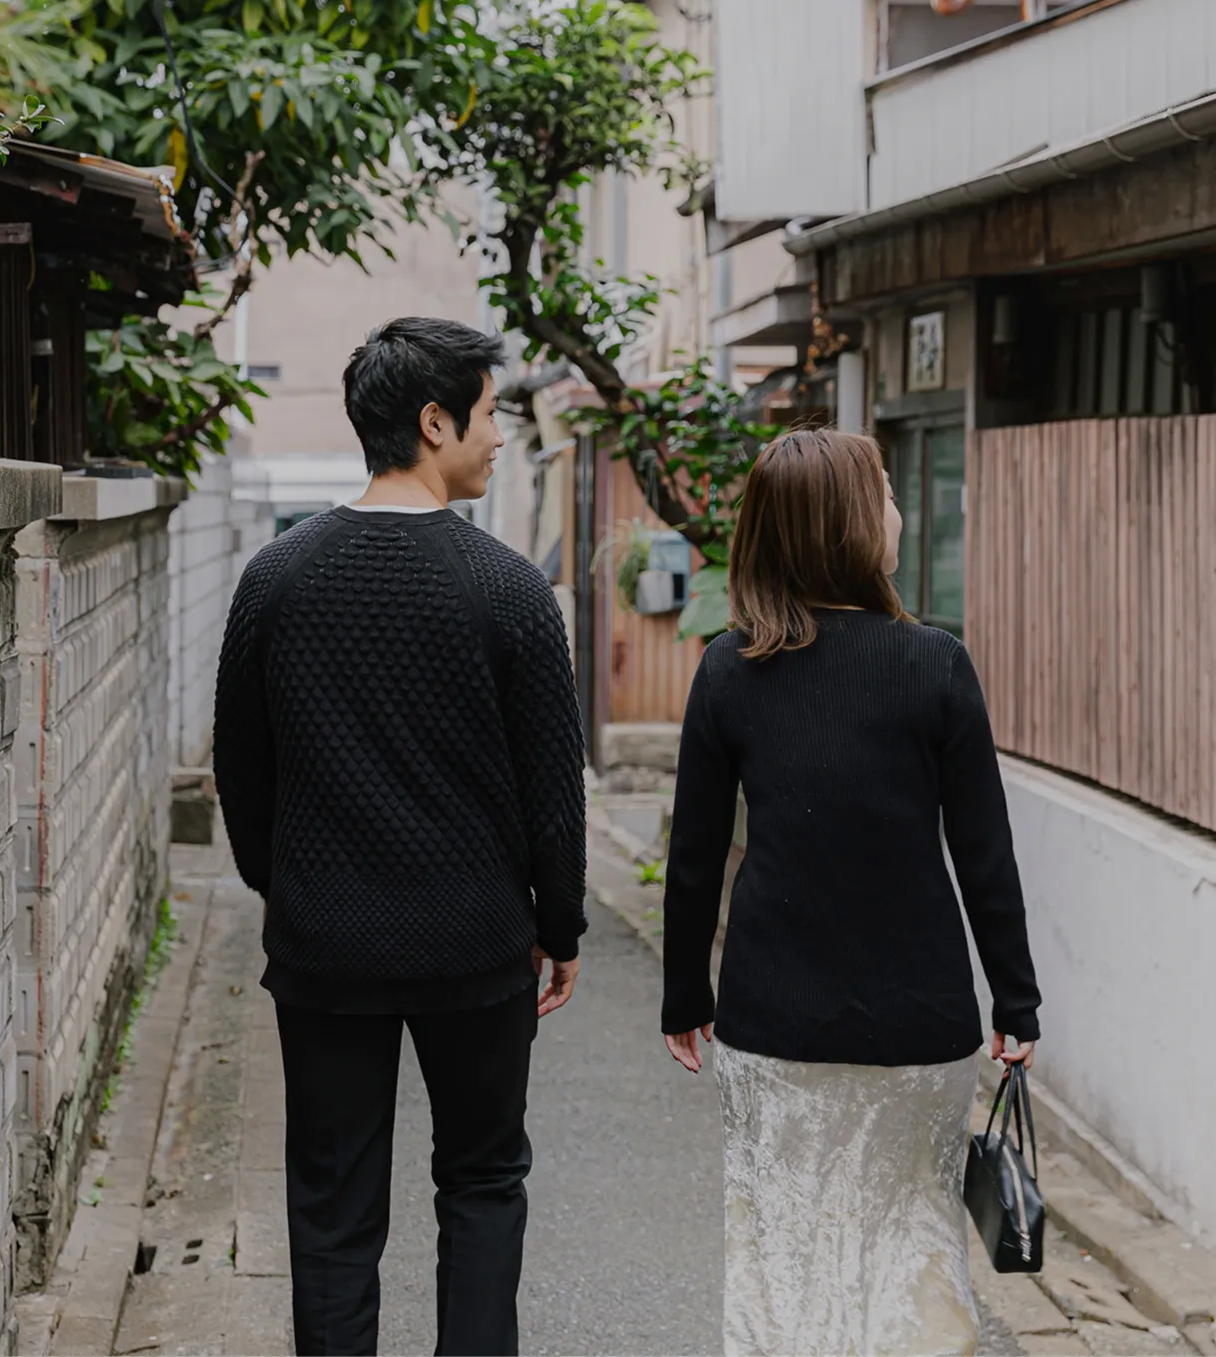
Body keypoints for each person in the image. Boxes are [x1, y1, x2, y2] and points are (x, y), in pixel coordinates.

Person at [213, 317, 587, 1356]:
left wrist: (286, 889)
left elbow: (242, 773)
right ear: (435, 421)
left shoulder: (277, 580)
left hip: (325, 946)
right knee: (480, 1183)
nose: (502, 434)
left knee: (332, 1213)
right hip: (477, 949)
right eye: (489, 411)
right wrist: (559, 924)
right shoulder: (510, 592)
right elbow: (554, 795)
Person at [660, 427, 1044, 1357]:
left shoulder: (727, 668)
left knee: (777, 1251)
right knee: (909, 1242)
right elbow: (983, 854)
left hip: (772, 1017)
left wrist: (684, 994)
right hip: (921, 1022)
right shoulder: (935, 665)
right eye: (882, 493)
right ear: (849, 525)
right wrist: (1015, 999)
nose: (897, 512)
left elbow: (696, 856)